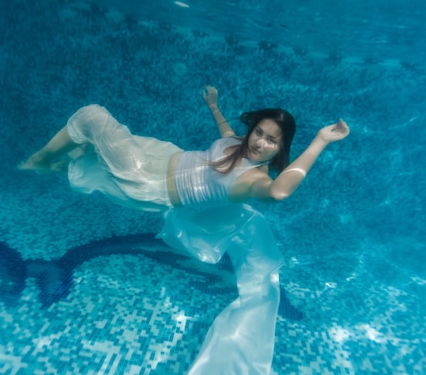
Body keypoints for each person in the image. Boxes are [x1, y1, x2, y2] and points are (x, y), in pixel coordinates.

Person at [19, 85, 350, 374]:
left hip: (149, 181)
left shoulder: (255, 181)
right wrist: (214, 106)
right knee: (93, 160)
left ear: (281, 149)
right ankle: (56, 165)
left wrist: (320, 140)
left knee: (92, 117)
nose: (260, 142)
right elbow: (224, 135)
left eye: (271, 141)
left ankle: (40, 160)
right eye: (259, 133)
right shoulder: (237, 144)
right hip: (160, 156)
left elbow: (280, 192)